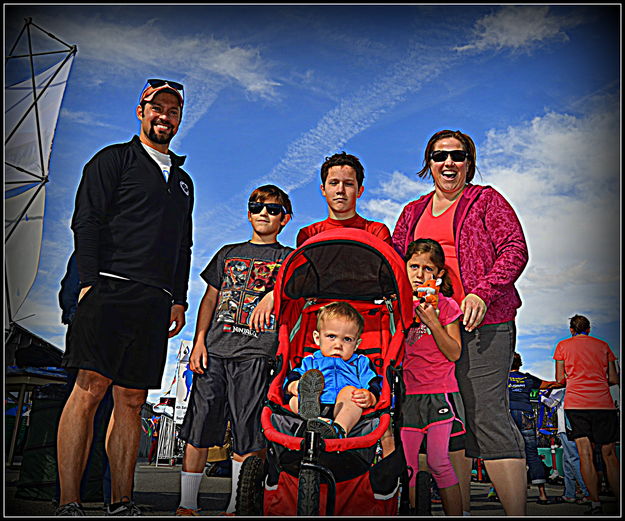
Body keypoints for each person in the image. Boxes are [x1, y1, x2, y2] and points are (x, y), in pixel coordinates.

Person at [56, 78, 192, 517]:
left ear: (179, 119)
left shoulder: (184, 182)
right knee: (90, 388)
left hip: (155, 300)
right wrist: (89, 282)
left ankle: (121, 501)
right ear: (141, 110)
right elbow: (87, 221)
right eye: (157, 108)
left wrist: (179, 298)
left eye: (173, 111)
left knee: (133, 399)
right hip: (107, 288)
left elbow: (183, 245)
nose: (164, 117)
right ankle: (68, 502)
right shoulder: (112, 160)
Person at [392, 129, 529, 516]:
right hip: (428, 331)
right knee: (452, 422)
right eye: (439, 156)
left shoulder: (486, 201)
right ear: (428, 164)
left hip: (483, 324)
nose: (448, 163)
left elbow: (515, 249)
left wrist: (481, 293)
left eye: (457, 155)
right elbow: (396, 264)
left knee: (486, 413)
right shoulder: (412, 212)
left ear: (469, 163)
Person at [176, 185, 293, 516]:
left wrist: (274, 294)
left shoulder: (287, 257)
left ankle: (235, 506)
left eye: (273, 209)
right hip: (215, 351)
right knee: (198, 427)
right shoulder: (227, 252)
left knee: (247, 432)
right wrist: (199, 341)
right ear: (248, 212)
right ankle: (187, 504)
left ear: (285, 219)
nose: (263, 213)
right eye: (256, 206)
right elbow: (210, 298)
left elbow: (296, 291)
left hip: (256, 355)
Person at [400, 239, 463, 516]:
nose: (419, 273)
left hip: (439, 391)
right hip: (407, 395)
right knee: (409, 465)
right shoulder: (398, 306)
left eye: (428, 268)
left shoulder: (447, 306)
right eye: (414, 265)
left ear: (438, 274)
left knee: (439, 462)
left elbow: (454, 352)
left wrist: (433, 322)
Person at [57, 252, 112, 508]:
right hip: (92, 330)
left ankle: (91, 493)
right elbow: (71, 290)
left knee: (99, 411)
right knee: (88, 408)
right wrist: (75, 315)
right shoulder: (92, 248)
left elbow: (68, 290)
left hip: (97, 329)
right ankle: (75, 494)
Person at [284, 301, 381, 439]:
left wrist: (371, 397)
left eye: (347, 339)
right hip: (314, 402)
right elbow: (290, 378)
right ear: (317, 338)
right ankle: (315, 420)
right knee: (295, 399)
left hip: (343, 408)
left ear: (356, 344)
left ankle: (338, 430)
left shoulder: (360, 362)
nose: (338, 345)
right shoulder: (310, 361)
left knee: (351, 393)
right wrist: (294, 386)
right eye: (331, 336)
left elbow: (374, 382)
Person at [553, 314, 619, 515]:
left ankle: (595, 503)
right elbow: (614, 378)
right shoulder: (603, 345)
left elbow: (559, 379)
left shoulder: (563, 346)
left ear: (571, 330)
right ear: (589, 329)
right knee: (609, 455)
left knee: (585, 455)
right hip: (603, 404)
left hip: (577, 404)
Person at [296, 151, 391, 247]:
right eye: (333, 183)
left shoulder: (377, 232)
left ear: (359, 191)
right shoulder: (308, 234)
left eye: (348, 184)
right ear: (323, 189)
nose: (340, 190)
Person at [508, 352, 562, 505]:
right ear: (520, 364)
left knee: (507, 454)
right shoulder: (527, 379)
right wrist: (567, 381)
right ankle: (542, 494)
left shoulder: (501, 379)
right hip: (526, 415)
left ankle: (505, 492)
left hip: (508, 416)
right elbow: (550, 385)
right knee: (532, 453)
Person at [542, 388, 590, 504]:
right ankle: (569, 493)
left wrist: (541, 397)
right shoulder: (576, 388)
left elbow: (551, 402)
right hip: (574, 426)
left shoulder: (561, 389)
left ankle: (587, 492)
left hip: (567, 428)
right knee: (567, 462)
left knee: (574, 459)